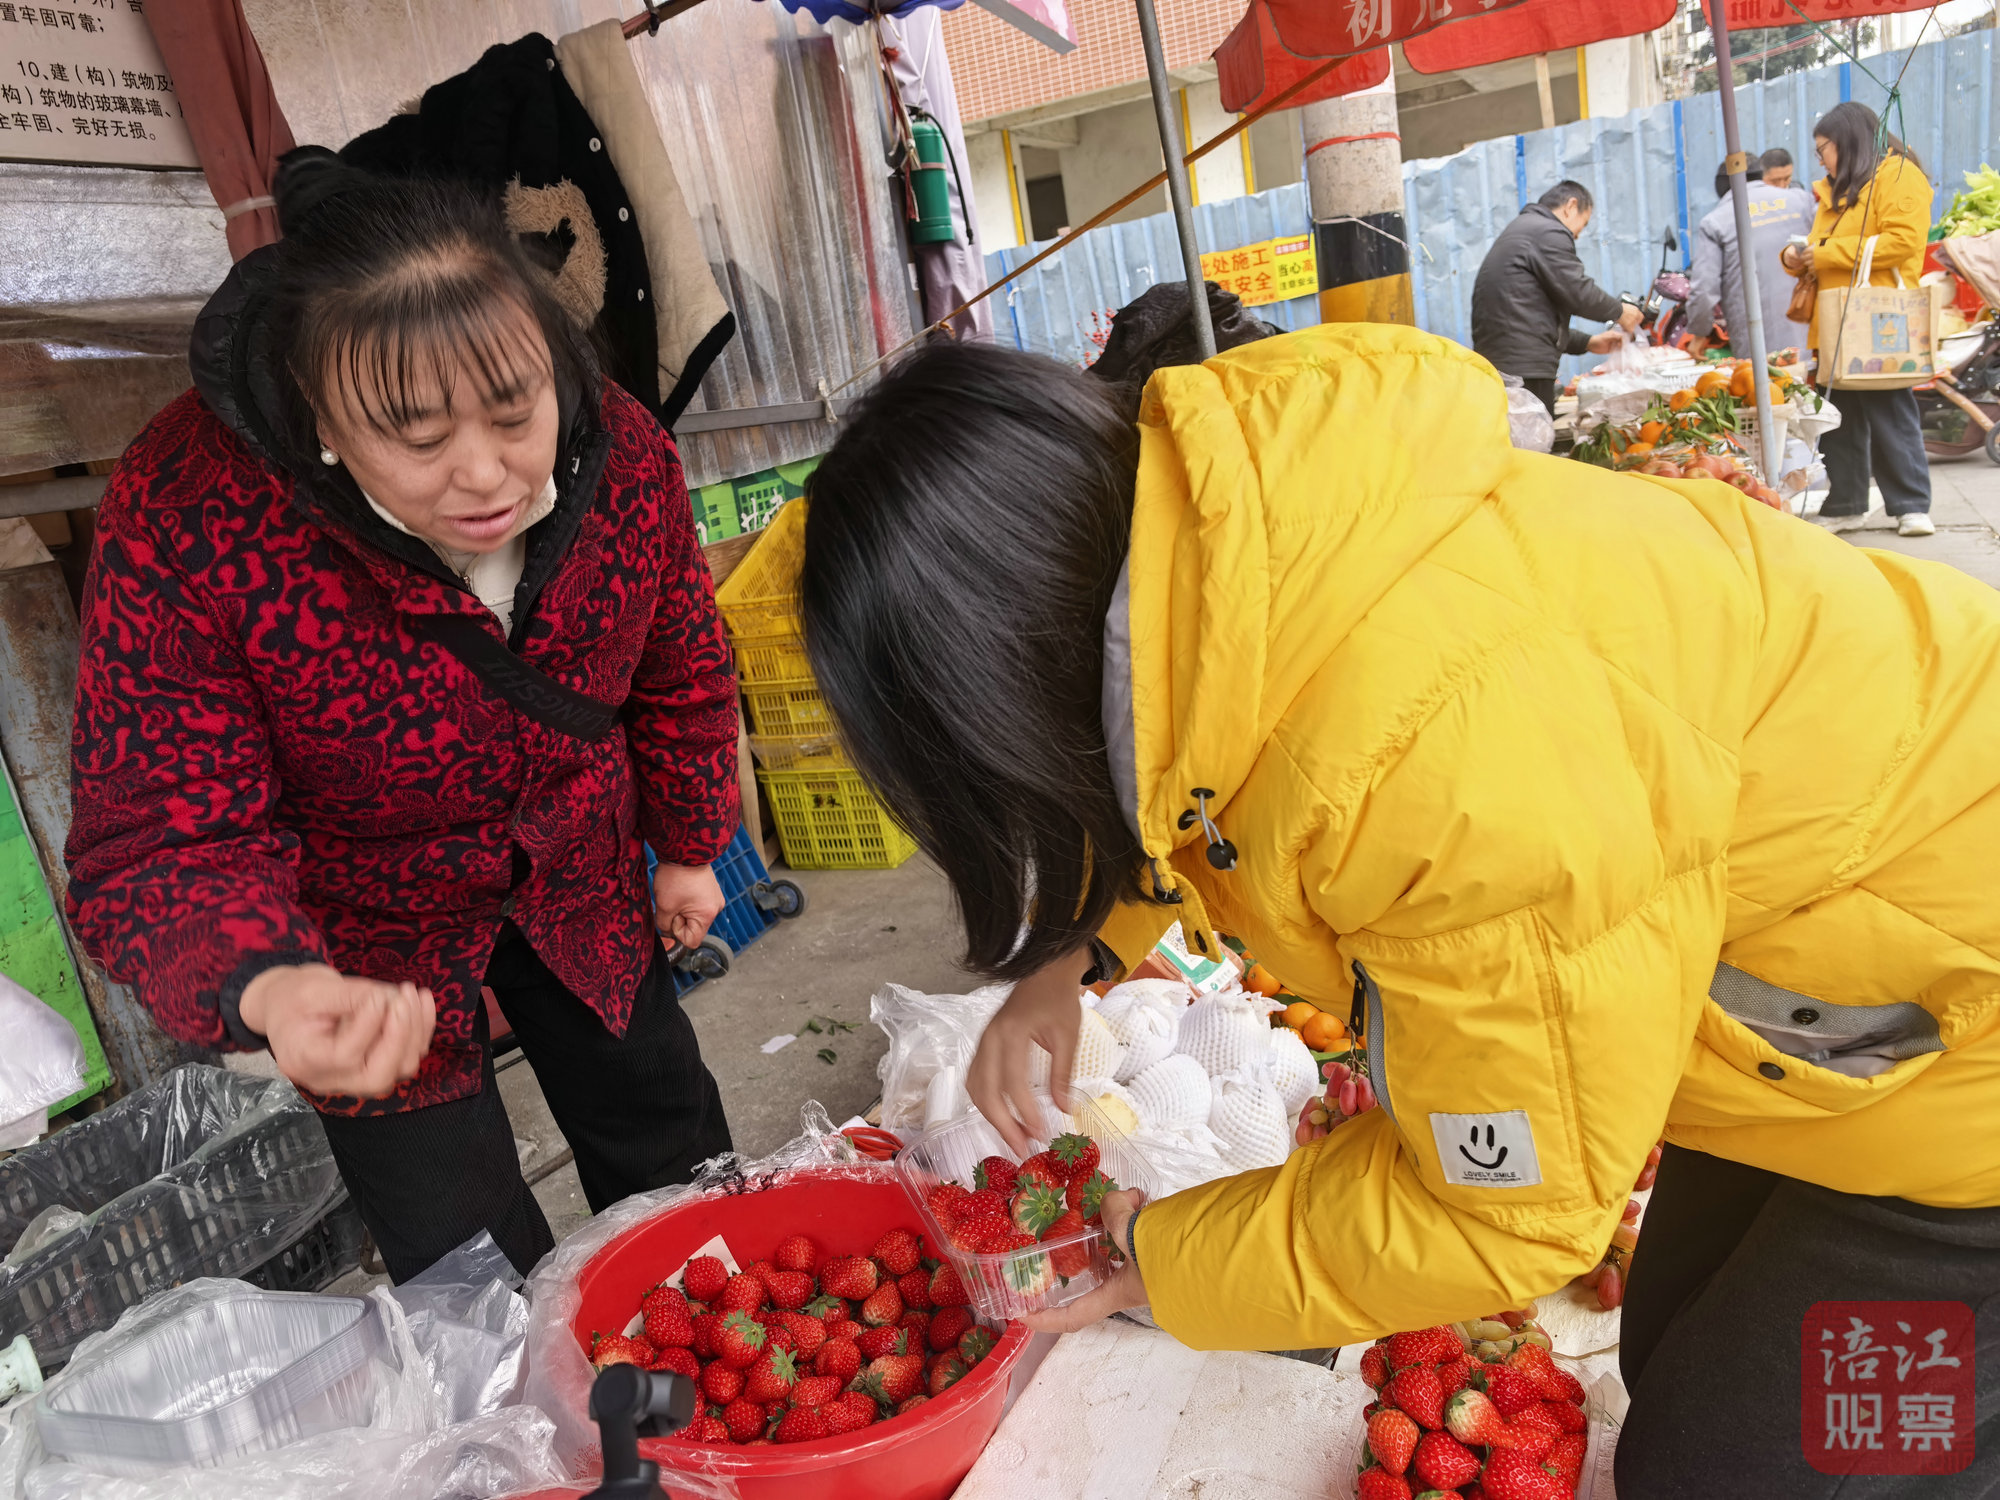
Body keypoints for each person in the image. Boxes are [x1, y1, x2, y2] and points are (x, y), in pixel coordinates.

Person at [796, 328, 2000, 1496]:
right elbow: (1180, 774)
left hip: (1957, 1048)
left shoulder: (1440, 779)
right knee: (1673, 1357)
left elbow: (1504, 1217)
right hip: (1840, 996)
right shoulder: (1247, 547)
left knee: (1728, 1474)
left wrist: (1152, 1256)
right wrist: (1074, 956)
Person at [64, 150, 741, 1283]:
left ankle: (719, 1343)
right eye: (418, 439)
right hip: (364, 943)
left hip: (577, 867)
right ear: (317, 412)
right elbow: (159, 827)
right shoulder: (189, 509)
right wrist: (272, 983)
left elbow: (682, 662)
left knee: (669, 1142)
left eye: (515, 413)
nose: (484, 475)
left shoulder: (622, 452)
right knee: (467, 1260)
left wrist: (688, 842)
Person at [1783, 101, 1935, 537]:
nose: (1820, 160)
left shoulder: (1898, 175)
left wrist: (1824, 254)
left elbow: (1904, 242)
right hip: (1836, 322)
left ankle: (1911, 505)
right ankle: (1846, 503)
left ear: (1847, 142)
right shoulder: (1839, 188)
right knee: (1838, 416)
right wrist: (1796, 256)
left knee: (1890, 409)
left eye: (1823, 149)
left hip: (1878, 318)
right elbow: (1821, 244)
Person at [1470, 180, 1640, 413]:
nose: (1577, 235)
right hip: (1524, 373)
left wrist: (1587, 342)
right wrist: (1620, 311)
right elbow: (1577, 291)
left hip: (1507, 367)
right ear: (1571, 206)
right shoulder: (1547, 231)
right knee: (1532, 436)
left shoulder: (1525, 230)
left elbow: (1529, 319)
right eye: (1584, 224)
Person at [1685, 156, 1813, 360]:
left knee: (1766, 380)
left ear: (1721, 186)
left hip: (1757, 346)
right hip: (1810, 334)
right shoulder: (1802, 201)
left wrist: (1700, 332)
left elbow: (1704, 288)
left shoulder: (1716, 221)